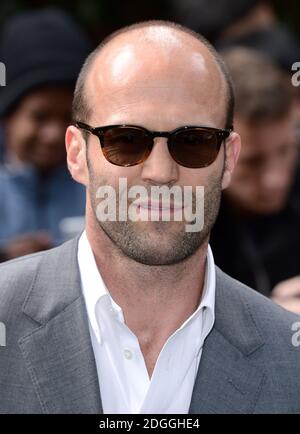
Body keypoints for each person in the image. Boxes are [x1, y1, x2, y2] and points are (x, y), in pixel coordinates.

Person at [0, 20, 300, 414]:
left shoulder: (289, 356)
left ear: (229, 159)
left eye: (193, 142)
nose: (160, 172)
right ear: (76, 154)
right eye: (126, 140)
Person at [0, 9, 91, 261]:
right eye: (39, 116)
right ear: (8, 117)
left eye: (67, 117)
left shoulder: (97, 185)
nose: (53, 134)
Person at [210, 48, 300, 299]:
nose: (276, 179)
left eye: (286, 150)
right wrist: (274, 318)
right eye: (252, 162)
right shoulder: (190, 223)